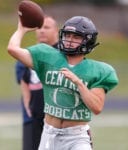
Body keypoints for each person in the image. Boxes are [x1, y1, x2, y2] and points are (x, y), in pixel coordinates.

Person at [8, 16, 119, 150]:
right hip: (49, 133)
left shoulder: (97, 70)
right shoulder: (48, 56)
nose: (70, 40)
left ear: (88, 41)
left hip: (76, 137)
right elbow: (13, 49)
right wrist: (21, 29)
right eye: (67, 35)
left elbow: (97, 107)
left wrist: (79, 83)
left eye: (76, 37)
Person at [15, 15, 59, 150]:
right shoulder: (28, 54)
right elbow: (24, 82)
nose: (42, 31)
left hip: (59, 119)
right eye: (39, 27)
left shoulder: (65, 54)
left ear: (56, 30)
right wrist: (28, 107)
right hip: (33, 118)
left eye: (46, 27)